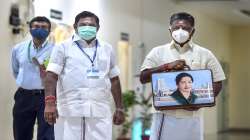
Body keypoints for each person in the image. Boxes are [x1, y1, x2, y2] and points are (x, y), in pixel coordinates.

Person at [140, 12, 226, 140]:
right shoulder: (158, 52)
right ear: (170, 29)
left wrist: (201, 102)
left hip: (193, 118)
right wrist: (166, 66)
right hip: (164, 116)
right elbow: (143, 77)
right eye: (176, 28)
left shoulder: (205, 54)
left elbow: (218, 82)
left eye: (185, 28)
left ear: (193, 31)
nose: (180, 31)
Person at [44, 11, 125, 140]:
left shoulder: (107, 49)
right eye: (83, 24)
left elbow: (114, 79)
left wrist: (120, 108)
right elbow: (51, 76)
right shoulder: (63, 47)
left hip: (100, 112)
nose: (87, 27)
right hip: (71, 111)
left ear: (98, 28)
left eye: (91, 25)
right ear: (75, 27)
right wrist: (49, 103)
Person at [11, 16, 54, 140]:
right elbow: (16, 71)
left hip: (47, 97)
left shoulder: (56, 50)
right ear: (30, 29)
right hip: (24, 96)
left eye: (44, 27)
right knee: (21, 134)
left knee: (47, 135)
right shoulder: (18, 49)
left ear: (49, 31)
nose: (39, 29)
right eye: (36, 27)